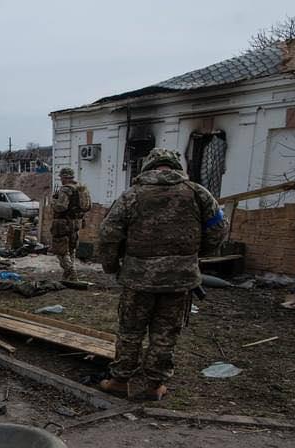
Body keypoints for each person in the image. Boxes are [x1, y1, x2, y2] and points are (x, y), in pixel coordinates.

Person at [97, 148, 228, 400]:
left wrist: (111, 266)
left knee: (130, 331)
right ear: (176, 167)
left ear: (148, 167)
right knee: (165, 333)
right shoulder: (198, 193)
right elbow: (218, 228)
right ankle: (154, 386)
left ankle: (119, 381)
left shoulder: (131, 195)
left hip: (138, 279)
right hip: (179, 280)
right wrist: (197, 255)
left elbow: (108, 234)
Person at [51, 167, 90, 282]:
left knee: (61, 250)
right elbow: (87, 206)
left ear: (64, 177)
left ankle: (72, 274)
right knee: (71, 249)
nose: (61, 180)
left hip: (63, 223)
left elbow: (61, 207)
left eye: (61, 177)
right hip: (76, 223)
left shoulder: (66, 189)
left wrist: (53, 201)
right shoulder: (81, 188)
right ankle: (67, 276)